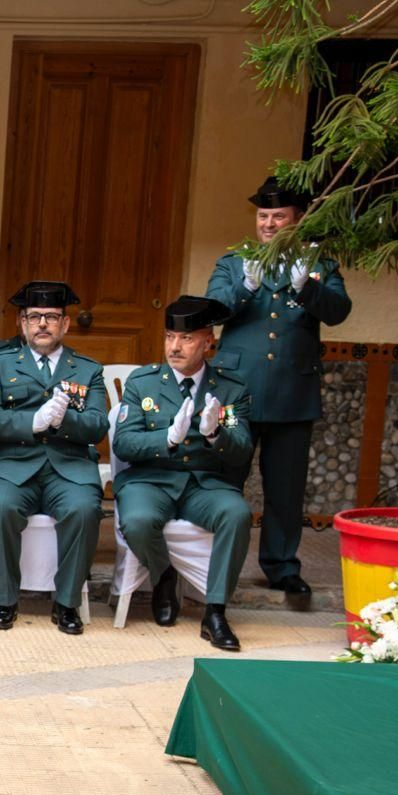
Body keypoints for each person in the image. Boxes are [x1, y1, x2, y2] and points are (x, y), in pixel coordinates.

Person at [206, 177, 351, 608]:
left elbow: (339, 311)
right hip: (237, 392)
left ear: (297, 220)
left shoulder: (318, 263)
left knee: (285, 489)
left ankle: (283, 569)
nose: (268, 224)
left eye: (278, 217)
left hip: (292, 392)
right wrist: (245, 287)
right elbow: (214, 310)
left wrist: (307, 286)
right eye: (263, 216)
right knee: (225, 481)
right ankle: (215, 565)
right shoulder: (234, 263)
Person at [112, 296, 253, 652]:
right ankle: (163, 576)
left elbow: (242, 450)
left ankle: (215, 611)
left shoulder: (231, 389)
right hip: (151, 480)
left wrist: (215, 434)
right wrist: (167, 438)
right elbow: (124, 445)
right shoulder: (142, 383)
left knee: (236, 514)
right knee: (140, 520)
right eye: (170, 336)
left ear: (209, 342)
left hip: (204, 483)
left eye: (186, 339)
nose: (175, 347)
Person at [0, 281, 107, 635]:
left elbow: (96, 426)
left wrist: (64, 421)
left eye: (51, 317)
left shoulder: (87, 368)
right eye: (34, 317)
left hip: (69, 466)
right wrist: (32, 422)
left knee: (84, 509)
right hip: (13, 464)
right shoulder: (0, 364)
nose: (42, 324)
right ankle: (6, 598)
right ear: (22, 323)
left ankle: (66, 602)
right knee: (0, 507)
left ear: (65, 324)